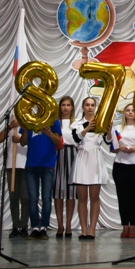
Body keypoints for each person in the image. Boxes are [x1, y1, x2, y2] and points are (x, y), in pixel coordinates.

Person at [71, 96, 110, 241]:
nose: (90, 107)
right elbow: (76, 139)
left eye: (92, 105)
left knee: (94, 197)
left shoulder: (101, 122)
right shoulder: (77, 124)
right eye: (87, 105)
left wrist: (109, 130)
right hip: (82, 157)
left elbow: (107, 141)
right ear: (83, 107)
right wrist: (87, 128)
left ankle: (92, 229)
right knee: (82, 198)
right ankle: (83, 230)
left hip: (95, 157)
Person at [19, 115, 63, 240]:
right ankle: (34, 227)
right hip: (31, 164)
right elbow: (22, 142)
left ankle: (43, 227)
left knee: (46, 198)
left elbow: (58, 142)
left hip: (48, 165)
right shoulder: (29, 119)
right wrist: (25, 130)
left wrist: (49, 133)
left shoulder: (54, 121)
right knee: (32, 198)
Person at [111, 104, 135, 238]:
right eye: (128, 110)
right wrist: (120, 148)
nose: (130, 113)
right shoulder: (117, 128)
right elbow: (113, 148)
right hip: (120, 165)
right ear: (124, 113)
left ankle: (133, 226)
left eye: (133, 111)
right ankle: (125, 225)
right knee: (123, 197)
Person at [0, 118, 29, 238]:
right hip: (12, 165)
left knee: (25, 197)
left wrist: (21, 138)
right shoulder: (11, 125)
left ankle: (24, 226)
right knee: (13, 197)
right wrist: (10, 127)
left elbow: (31, 141)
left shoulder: (29, 124)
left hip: (26, 164)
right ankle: (15, 226)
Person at [54, 96, 78, 238]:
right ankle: (60, 224)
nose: (65, 107)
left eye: (68, 105)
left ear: (72, 107)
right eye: (63, 105)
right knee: (58, 191)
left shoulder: (76, 123)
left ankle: (68, 224)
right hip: (58, 154)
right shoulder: (55, 122)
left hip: (72, 154)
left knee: (71, 192)